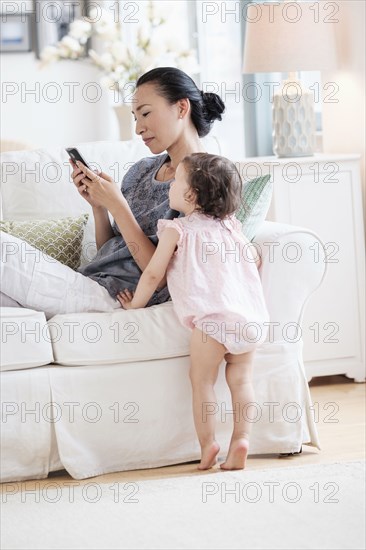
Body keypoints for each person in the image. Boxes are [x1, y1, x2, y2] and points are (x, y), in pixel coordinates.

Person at [0, 68, 225, 318]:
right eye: (135, 117)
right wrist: (100, 207)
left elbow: (160, 277)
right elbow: (110, 250)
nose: (139, 128)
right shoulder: (141, 170)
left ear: (182, 108)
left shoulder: (206, 182)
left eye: (146, 113)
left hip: (119, 295)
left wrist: (119, 206)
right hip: (87, 283)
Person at [117, 153, 270, 470]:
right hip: (250, 320)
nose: (171, 186)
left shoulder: (177, 229)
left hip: (211, 322)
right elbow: (254, 259)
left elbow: (154, 275)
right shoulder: (233, 227)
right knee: (242, 381)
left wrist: (135, 304)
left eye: (176, 182)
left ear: (188, 195)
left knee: (202, 382)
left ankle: (208, 445)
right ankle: (242, 439)